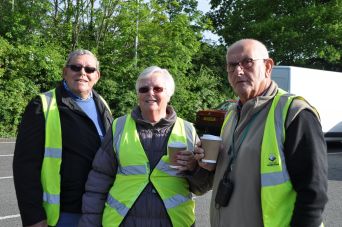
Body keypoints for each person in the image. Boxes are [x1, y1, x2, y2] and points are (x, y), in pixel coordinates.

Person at [195, 39, 328, 227]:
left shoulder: (294, 112)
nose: (238, 71)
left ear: (267, 66)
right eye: (232, 65)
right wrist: (210, 166)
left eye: (247, 62)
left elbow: (313, 193)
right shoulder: (231, 114)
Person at [79, 66, 211, 227]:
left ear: (169, 94)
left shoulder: (188, 129)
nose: (150, 93)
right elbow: (99, 181)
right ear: (137, 95)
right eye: (144, 89)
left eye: (157, 88)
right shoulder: (118, 127)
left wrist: (193, 168)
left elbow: (201, 188)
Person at [13, 49, 113, 227]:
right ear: (64, 71)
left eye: (89, 69)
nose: (82, 73)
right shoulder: (42, 105)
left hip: (99, 211)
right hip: (62, 215)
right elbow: (25, 166)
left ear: (97, 76)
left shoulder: (102, 105)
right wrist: (34, 217)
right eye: (76, 67)